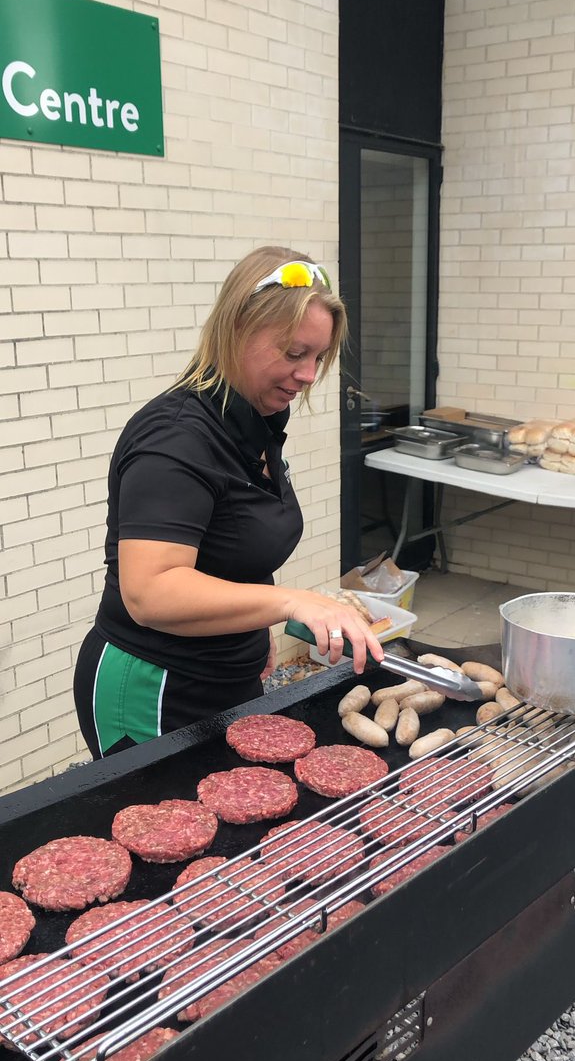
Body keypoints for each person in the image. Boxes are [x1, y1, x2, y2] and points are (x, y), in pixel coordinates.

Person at [73, 245, 384, 759]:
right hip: (155, 685)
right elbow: (150, 592)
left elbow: (233, 545)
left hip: (228, 671)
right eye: (294, 353)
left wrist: (252, 626)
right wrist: (290, 603)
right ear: (237, 328)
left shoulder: (254, 424)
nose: (309, 374)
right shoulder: (175, 438)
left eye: (318, 357)